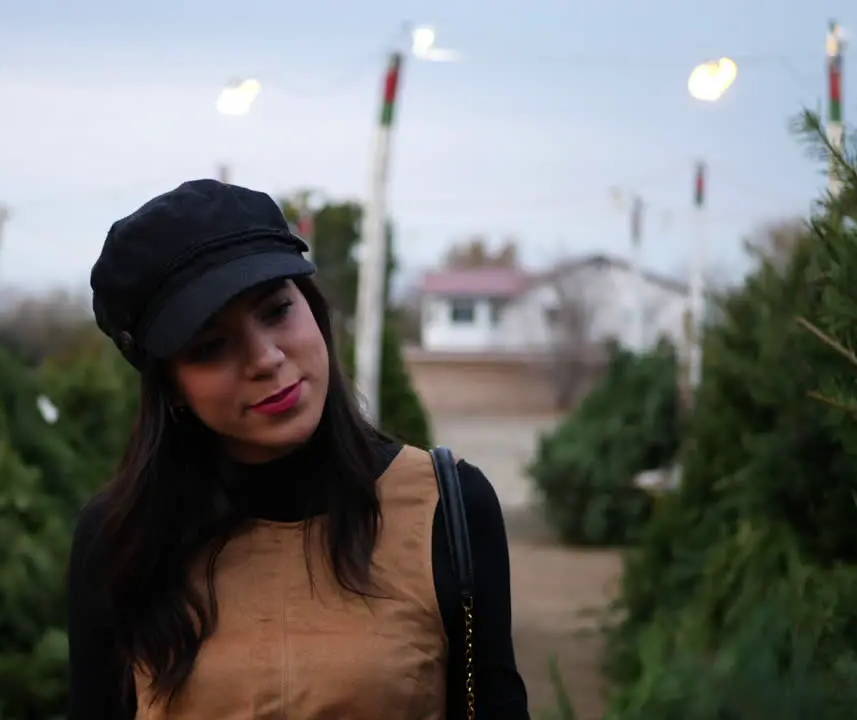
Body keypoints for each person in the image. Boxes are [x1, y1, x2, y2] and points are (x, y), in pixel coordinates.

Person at [69, 179, 531, 719]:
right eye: (212, 346)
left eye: (276, 311)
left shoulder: (446, 509)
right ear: (171, 387)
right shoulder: (123, 541)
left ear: (313, 310)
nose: (265, 357)